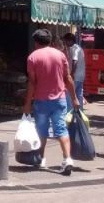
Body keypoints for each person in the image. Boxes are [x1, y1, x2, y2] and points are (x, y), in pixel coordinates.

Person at [23, 29, 78, 176]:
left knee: (41, 130)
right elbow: (68, 78)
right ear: (50, 41)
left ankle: (40, 158)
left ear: (36, 42)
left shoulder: (33, 57)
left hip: (41, 100)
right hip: (60, 99)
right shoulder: (60, 55)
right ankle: (67, 159)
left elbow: (32, 82)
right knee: (61, 129)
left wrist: (27, 103)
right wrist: (74, 98)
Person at [62, 33, 86, 110]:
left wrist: (72, 74)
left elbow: (75, 61)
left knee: (69, 95)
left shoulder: (74, 48)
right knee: (79, 96)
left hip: (75, 76)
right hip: (81, 76)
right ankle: (79, 114)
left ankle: (70, 113)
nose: (65, 43)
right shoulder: (79, 48)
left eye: (65, 41)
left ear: (70, 41)